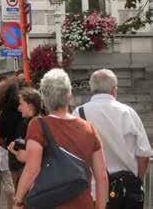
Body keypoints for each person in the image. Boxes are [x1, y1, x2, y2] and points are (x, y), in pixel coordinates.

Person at [13, 69, 108, 209]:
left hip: (49, 203)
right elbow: (102, 177)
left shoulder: (38, 125)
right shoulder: (89, 128)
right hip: (83, 204)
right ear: (69, 96)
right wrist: (100, 206)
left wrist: (18, 201)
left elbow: (32, 169)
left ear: (44, 98)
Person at [73, 69, 152, 209]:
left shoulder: (78, 114)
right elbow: (144, 155)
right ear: (114, 90)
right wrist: (136, 180)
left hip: (93, 192)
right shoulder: (128, 113)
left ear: (92, 89)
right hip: (126, 191)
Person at [0, 76, 25, 185]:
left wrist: (9, 147)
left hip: (13, 152)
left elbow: (1, 140)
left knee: (17, 186)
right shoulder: (24, 111)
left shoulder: (3, 116)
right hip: (28, 149)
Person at [7, 88, 47, 163]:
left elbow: (23, 157)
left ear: (30, 106)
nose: (19, 108)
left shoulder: (29, 124)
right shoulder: (44, 120)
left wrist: (12, 150)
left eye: (21, 104)